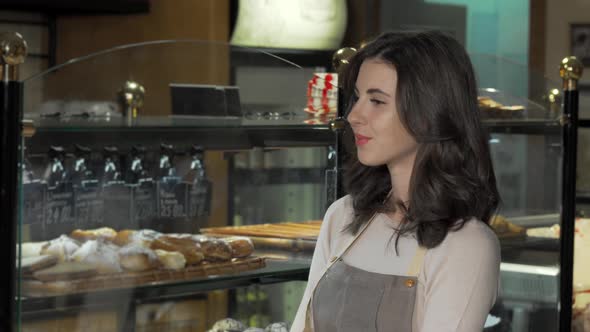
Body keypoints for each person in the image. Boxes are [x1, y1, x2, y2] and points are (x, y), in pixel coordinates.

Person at [290, 31, 501, 332]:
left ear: (429, 113)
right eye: (357, 97)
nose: (354, 116)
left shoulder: (467, 246)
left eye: (376, 100)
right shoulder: (343, 217)